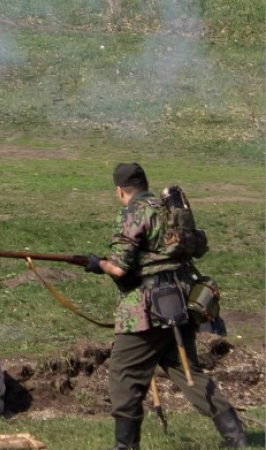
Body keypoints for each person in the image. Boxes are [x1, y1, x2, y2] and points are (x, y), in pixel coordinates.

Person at [84, 163, 247, 449]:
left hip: (146, 313)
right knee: (188, 374)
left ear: (119, 190)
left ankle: (125, 446)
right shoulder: (168, 210)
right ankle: (236, 437)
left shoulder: (133, 213)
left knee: (123, 377)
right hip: (181, 304)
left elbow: (120, 268)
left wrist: (98, 264)